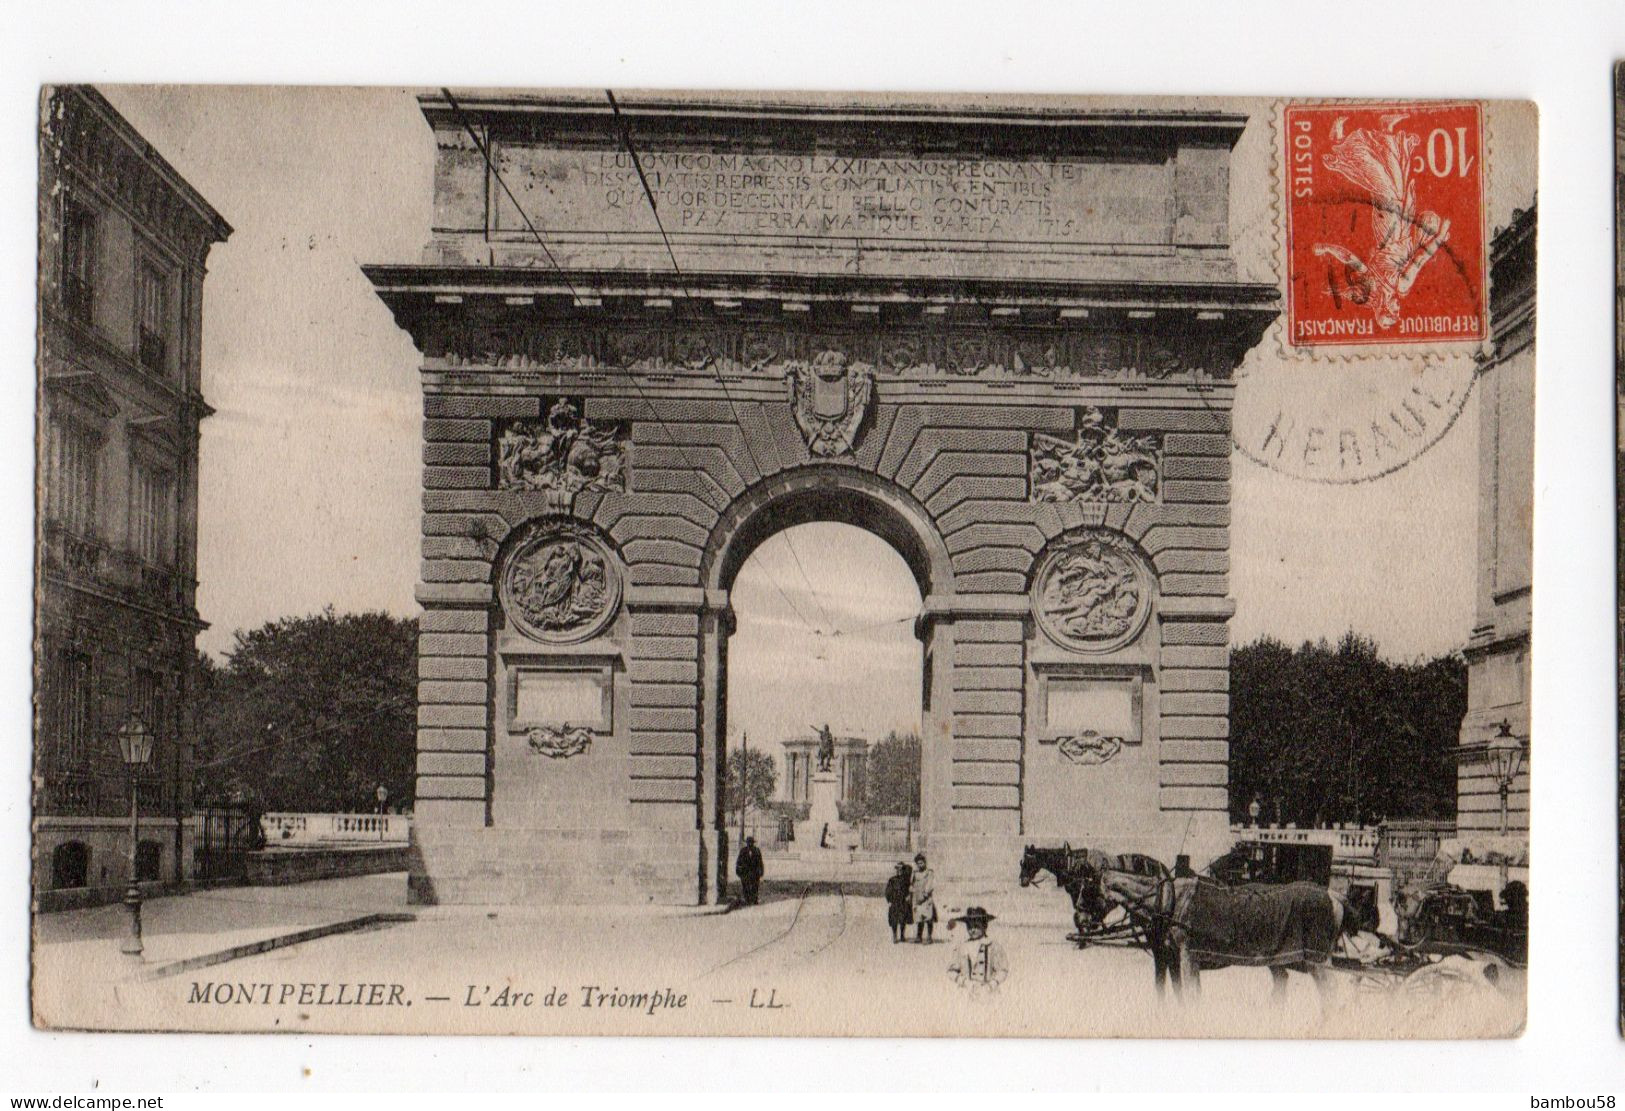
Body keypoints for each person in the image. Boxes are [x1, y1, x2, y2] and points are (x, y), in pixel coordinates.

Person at [946, 907, 1008, 994]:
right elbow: (951, 971)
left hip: (988, 991)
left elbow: (1003, 970)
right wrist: (965, 982)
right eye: (969, 927)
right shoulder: (962, 947)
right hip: (966, 991)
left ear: (985, 926)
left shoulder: (993, 946)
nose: (973, 930)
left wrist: (991, 985)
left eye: (976, 926)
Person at [911, 853, 937, 944]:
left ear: (925, 863)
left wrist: (925, 894)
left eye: (921, 863)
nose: (919, 865)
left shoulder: (929, 872)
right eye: (918, 863)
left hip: (926, 899)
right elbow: (912, 885)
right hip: (918, 898)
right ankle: (919, 936)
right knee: (919, 918)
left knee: (928, 918)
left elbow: (930, 884)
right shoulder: (915, 873)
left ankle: (929, 937)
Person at [884, 862, 913, 943]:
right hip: (894, 902)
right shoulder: (892, 879)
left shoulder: (906, 880)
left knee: (903, 919)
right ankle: (894, 936)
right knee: (894, 920)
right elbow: (888, 891)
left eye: (901, 869)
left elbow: (909, 890)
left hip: (903, 902)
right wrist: (889, 900)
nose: (899, 871)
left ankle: (902, 935)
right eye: (897, 869)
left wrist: (908, 896)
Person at [735, 836, 764, 906]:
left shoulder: (757, 850)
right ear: (747, 843)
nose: (750, 844)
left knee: (755, 886)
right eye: (749, 843)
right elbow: (738, 862)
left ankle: (754, 899)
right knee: (745, 886)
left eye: (751, 843)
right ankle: (747, 899)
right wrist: (738, 871)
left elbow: (760, 862)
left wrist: (761, 871)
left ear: (753, 843)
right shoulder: (743, 851)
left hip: (754, 872)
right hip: (745, 872)